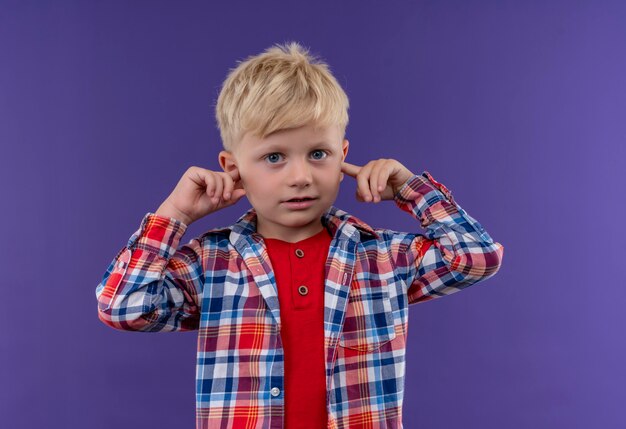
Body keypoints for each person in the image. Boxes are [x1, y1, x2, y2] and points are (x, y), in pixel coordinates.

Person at [95, 41, 504, 429]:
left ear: (343, 156)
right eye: (274, 157)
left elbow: (475, 259)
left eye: (318, 154)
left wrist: (412, 190)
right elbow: (124, 308)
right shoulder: (211, 263)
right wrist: (175, 215)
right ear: (233, 166)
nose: (301, 177)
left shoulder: (381, 257)